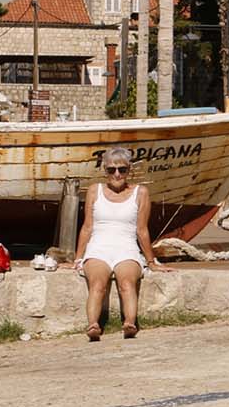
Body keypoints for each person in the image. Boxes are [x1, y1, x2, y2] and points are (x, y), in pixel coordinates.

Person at [71, 145, 169, 343]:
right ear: (105, 170)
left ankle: (130, 323)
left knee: (127, 283)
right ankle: (93, 325)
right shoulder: (94, 190)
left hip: (127, 248)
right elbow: (87, 227)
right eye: (111, 169)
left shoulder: (140, 192)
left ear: (129, 170)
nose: (117, 174)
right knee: (97, 284)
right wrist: (78, 258)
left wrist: (151, 262)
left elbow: (142, 230)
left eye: (122, 169)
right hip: (98, 248)